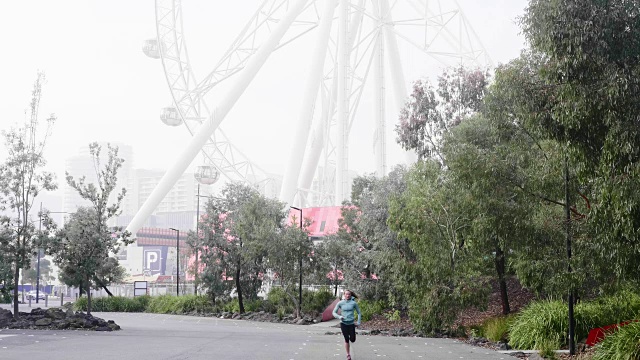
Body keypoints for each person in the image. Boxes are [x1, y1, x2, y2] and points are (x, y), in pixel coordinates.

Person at [333, 289, 362, 360]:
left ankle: (352, 338)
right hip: (343, 323)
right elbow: (334, 312)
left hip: (351, 324)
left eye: (349, 294)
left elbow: (359, 313)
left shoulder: (353, 303)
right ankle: (348, 354)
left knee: (352, 339)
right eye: (346, 294)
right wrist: (339, 316)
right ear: (344, 295)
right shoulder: (340, 303)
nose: (348, 295)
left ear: (350, 295)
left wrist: (358, 322)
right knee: (346, 339)